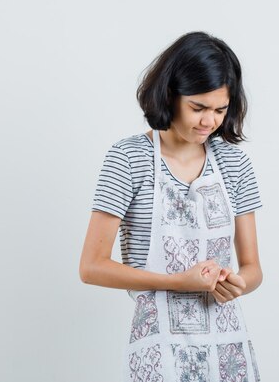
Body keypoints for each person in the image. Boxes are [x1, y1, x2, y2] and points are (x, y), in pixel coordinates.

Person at [79, 31, 264, 382]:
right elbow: (91, 267)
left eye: (220, 110)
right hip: (159, 350)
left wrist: (238, 283)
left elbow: (253, 267)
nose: (209, 122)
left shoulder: (235, 164)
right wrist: (177, 282)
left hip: (228, 348)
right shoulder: (128, 159)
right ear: (170, 96)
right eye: (198, 107)